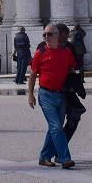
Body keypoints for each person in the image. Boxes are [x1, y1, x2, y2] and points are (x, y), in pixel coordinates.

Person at [27, 25, 76, 169]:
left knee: (55, 127)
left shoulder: (66, 51)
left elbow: (71, 69)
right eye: (44, 35)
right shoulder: (40, 53)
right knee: (56, 127)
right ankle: (65, 158)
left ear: (57, 36)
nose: (46, 37)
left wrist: (73, 85)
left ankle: (44, 157)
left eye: (49, 34)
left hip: (61, 94)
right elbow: (33, 74)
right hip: (46, 95)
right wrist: (30, 95)